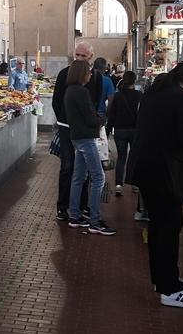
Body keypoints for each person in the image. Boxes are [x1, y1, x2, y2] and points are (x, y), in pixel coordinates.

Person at [126, 63, 183, 309]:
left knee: (160, 225)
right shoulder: (182, 98)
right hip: (164, 171)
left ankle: (163, 278)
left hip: (146, 168)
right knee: (169, 226)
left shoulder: (154, 92)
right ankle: (169, 289)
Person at [52, 41, 104, 221]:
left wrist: (92, 122)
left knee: (85, 169)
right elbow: (56, 101)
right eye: (77, 55)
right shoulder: (65, 74)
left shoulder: (94, 77)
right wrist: (65, 121)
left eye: (84, 56)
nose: (80, 59)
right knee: (68, 165)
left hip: (85, 130)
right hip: (67, 128)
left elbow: (96, 102)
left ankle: (82, 205)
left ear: (91, 57)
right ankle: (62, 205)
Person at [64, 60, 116, 236]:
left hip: (76, 137)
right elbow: (89, 117)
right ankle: (95, 221)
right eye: (88, 72)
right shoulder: (81, 91)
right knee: (98, 177)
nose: (91, 75)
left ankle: (75, 217)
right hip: (86, 138)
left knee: (78, 177)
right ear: (81, 74)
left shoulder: (70, 91)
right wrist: (102, 119)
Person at [106, 71, 142, 196]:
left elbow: (112, 114)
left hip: (120, 130)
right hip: (134, 130)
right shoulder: (139, 95)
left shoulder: (118, 96)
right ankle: (135, 185)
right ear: (134, 81)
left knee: (121, 158)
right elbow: (142, 114)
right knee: (134, 158)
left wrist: (107, 131)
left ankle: (118, 185)